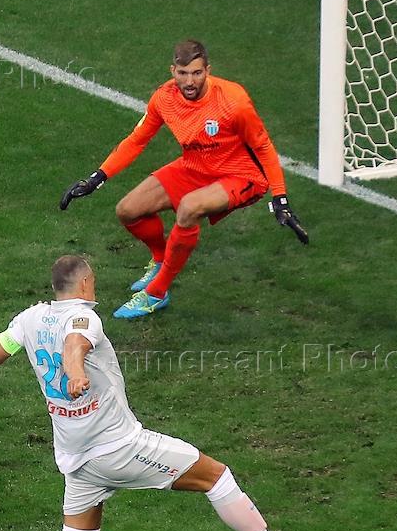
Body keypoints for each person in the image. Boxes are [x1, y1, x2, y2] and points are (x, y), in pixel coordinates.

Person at [0, 255, 334, 531]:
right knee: (216, 477)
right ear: (85, 283)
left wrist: (34, 345)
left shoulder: (29, 318)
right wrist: (75, 373)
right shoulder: (84, 318)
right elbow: (74, 344)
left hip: (76, 457)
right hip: (120, 448)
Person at [59, 39, 308, 321]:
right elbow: (137, 140)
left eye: (197, 73)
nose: (190, 81)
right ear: (173, 71)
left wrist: (280, 197)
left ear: (208, 71)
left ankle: (156, 293)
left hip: (241, 175)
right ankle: (160, 260)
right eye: (183, 73)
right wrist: (97, 178)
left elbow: (263, 147)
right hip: (195, 166)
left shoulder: (233, 101)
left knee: (189, 207)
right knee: (127, 210)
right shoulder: (164, 98)